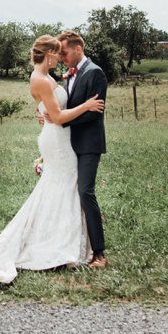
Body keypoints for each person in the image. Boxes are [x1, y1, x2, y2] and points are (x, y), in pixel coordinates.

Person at [0, 35, 104, 285]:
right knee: (63, 187)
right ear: (48, 55)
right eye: (57, 54)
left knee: (62, 188)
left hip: (60, 138)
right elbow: (57, 116)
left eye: (62, 53)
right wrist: (86, 106)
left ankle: (63, 241)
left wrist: (45, 112)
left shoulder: (48, 78)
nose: (60, 58)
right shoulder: (41, 79)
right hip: (58, 138)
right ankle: (57, 244)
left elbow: (48, 109)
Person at [53, 30, 109, 269]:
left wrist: (61, 120)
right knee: (68, 194)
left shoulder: (95, 72)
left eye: (64, 52)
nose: (62, 57)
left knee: (86, 192)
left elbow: (92, 113)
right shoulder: (71, 75)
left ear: (78, 49)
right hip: (69, 144)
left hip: (88, 144)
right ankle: (71, 246)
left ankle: (99, 253)